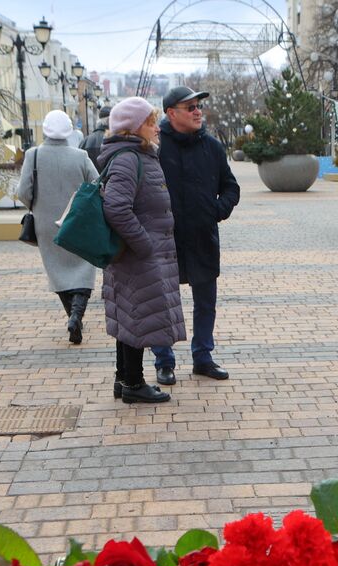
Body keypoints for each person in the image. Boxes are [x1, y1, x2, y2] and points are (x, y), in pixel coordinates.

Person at [151, 84, 240, 385]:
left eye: (199, 106)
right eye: (190, 107)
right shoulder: (155, 147)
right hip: (165, 240)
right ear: (170, 113)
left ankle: (203, 357)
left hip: (202, 238)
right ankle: (164, 361)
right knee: (163, 303)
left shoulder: (212, 147)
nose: (198, 111)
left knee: (206, 303)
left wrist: (215, 211)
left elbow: (231, 187)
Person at [98, 97, 185, 405]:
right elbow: (117, 208)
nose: (156, 128)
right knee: (138, 316)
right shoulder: (128, 159)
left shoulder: (137, 155)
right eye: (150, 123)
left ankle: (124, 379)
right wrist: (144, 243)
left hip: (136, 254)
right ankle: (134, 382)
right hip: (138, 255)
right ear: (132, 128)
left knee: (130, 315)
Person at [15, 110, 99, 344]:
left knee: (57, 271)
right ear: (69, 130)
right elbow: (97, 184)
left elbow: (23, 192)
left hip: (45, 222)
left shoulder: (33, 155)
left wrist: (38, 205)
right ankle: (76, 315)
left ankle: (73, 316)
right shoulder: (80, 156)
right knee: (84, 266)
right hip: (77, 220)